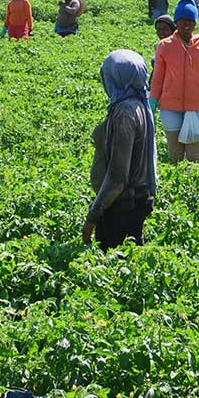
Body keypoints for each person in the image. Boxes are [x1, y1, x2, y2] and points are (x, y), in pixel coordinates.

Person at [82, 49, 158, 250]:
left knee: (117, 262)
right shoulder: (137, 104)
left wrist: (93, 216)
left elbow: (118, 176)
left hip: (123, 204)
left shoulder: (124, 113)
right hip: (132, 200)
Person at [149, 0, 199, 164]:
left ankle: (197, 186)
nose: (186, 24)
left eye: (190, 20)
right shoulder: (165, 46)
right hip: (170, 107)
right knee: (175, 154)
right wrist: (153, 100)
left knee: (195, 156)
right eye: (182, 21)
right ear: (176, 22)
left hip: (195, 109)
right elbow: (158, 77)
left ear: (195, 22)